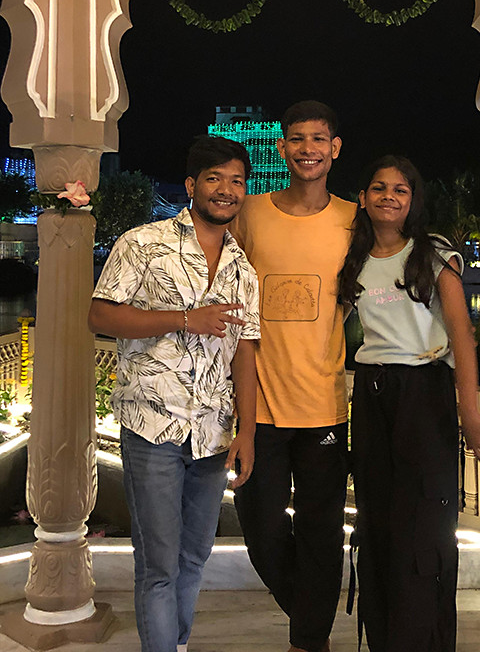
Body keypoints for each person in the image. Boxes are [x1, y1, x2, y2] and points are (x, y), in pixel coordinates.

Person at [88, 136, 260, 652]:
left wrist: (247, 432)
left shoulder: (243, 269)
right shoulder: (143, 243)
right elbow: (101, 315)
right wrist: (185, 319)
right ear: (191, 185)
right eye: (214, 178)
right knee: (159, 565)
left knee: (193, 557)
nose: (226, 189)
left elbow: (245, 353)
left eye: (236, 181)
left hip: (212, 434)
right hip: (151, 428)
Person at [337, 155, 480, 652]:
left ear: (413, 201)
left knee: (425, 524)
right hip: (372, 394)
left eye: (400, 190)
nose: (388, 196)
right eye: (379, 188)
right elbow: (328, 324)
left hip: (424, 394)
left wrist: (470, 412)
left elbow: (462, 333)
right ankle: (383, 637)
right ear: (363, 197)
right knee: (376, 518)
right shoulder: (354, 258)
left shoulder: (432, 254)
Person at [232, 100, 356, 652]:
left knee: (321, 534)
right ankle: (312, 621)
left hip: (324, 405)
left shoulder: (354, 218)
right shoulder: (251, 212)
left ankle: (308, 641)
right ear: (281, 147)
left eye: (319, 139)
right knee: (261, 531)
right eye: (297, 139)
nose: (308, 149)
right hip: (257, 409)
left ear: (335, 148)